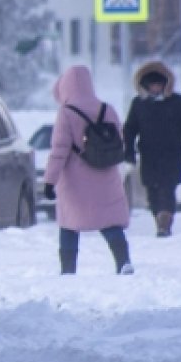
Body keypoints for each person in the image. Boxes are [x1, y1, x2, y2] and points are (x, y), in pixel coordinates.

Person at [42, 65, 134, 275]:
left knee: (69, 224)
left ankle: (68, 270)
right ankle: (123, 261)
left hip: (75, 179)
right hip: (106, 173)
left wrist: (49, 181)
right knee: (110, 221)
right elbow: (119, 140)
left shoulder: (66, 113)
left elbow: (59, 150)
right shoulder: (107, 109)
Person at [123, 61, 181, 237]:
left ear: (166, 84)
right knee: (152, 191)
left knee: (167, 188)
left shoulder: (177, 102)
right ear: (145, 85)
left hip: (173, 155)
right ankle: (159, 217)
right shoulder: (139, 104)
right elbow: (130, 129)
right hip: (149, 155)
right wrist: (129, 153)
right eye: (152, 85)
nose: (156, 88)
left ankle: (165, 219)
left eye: (159, 84)